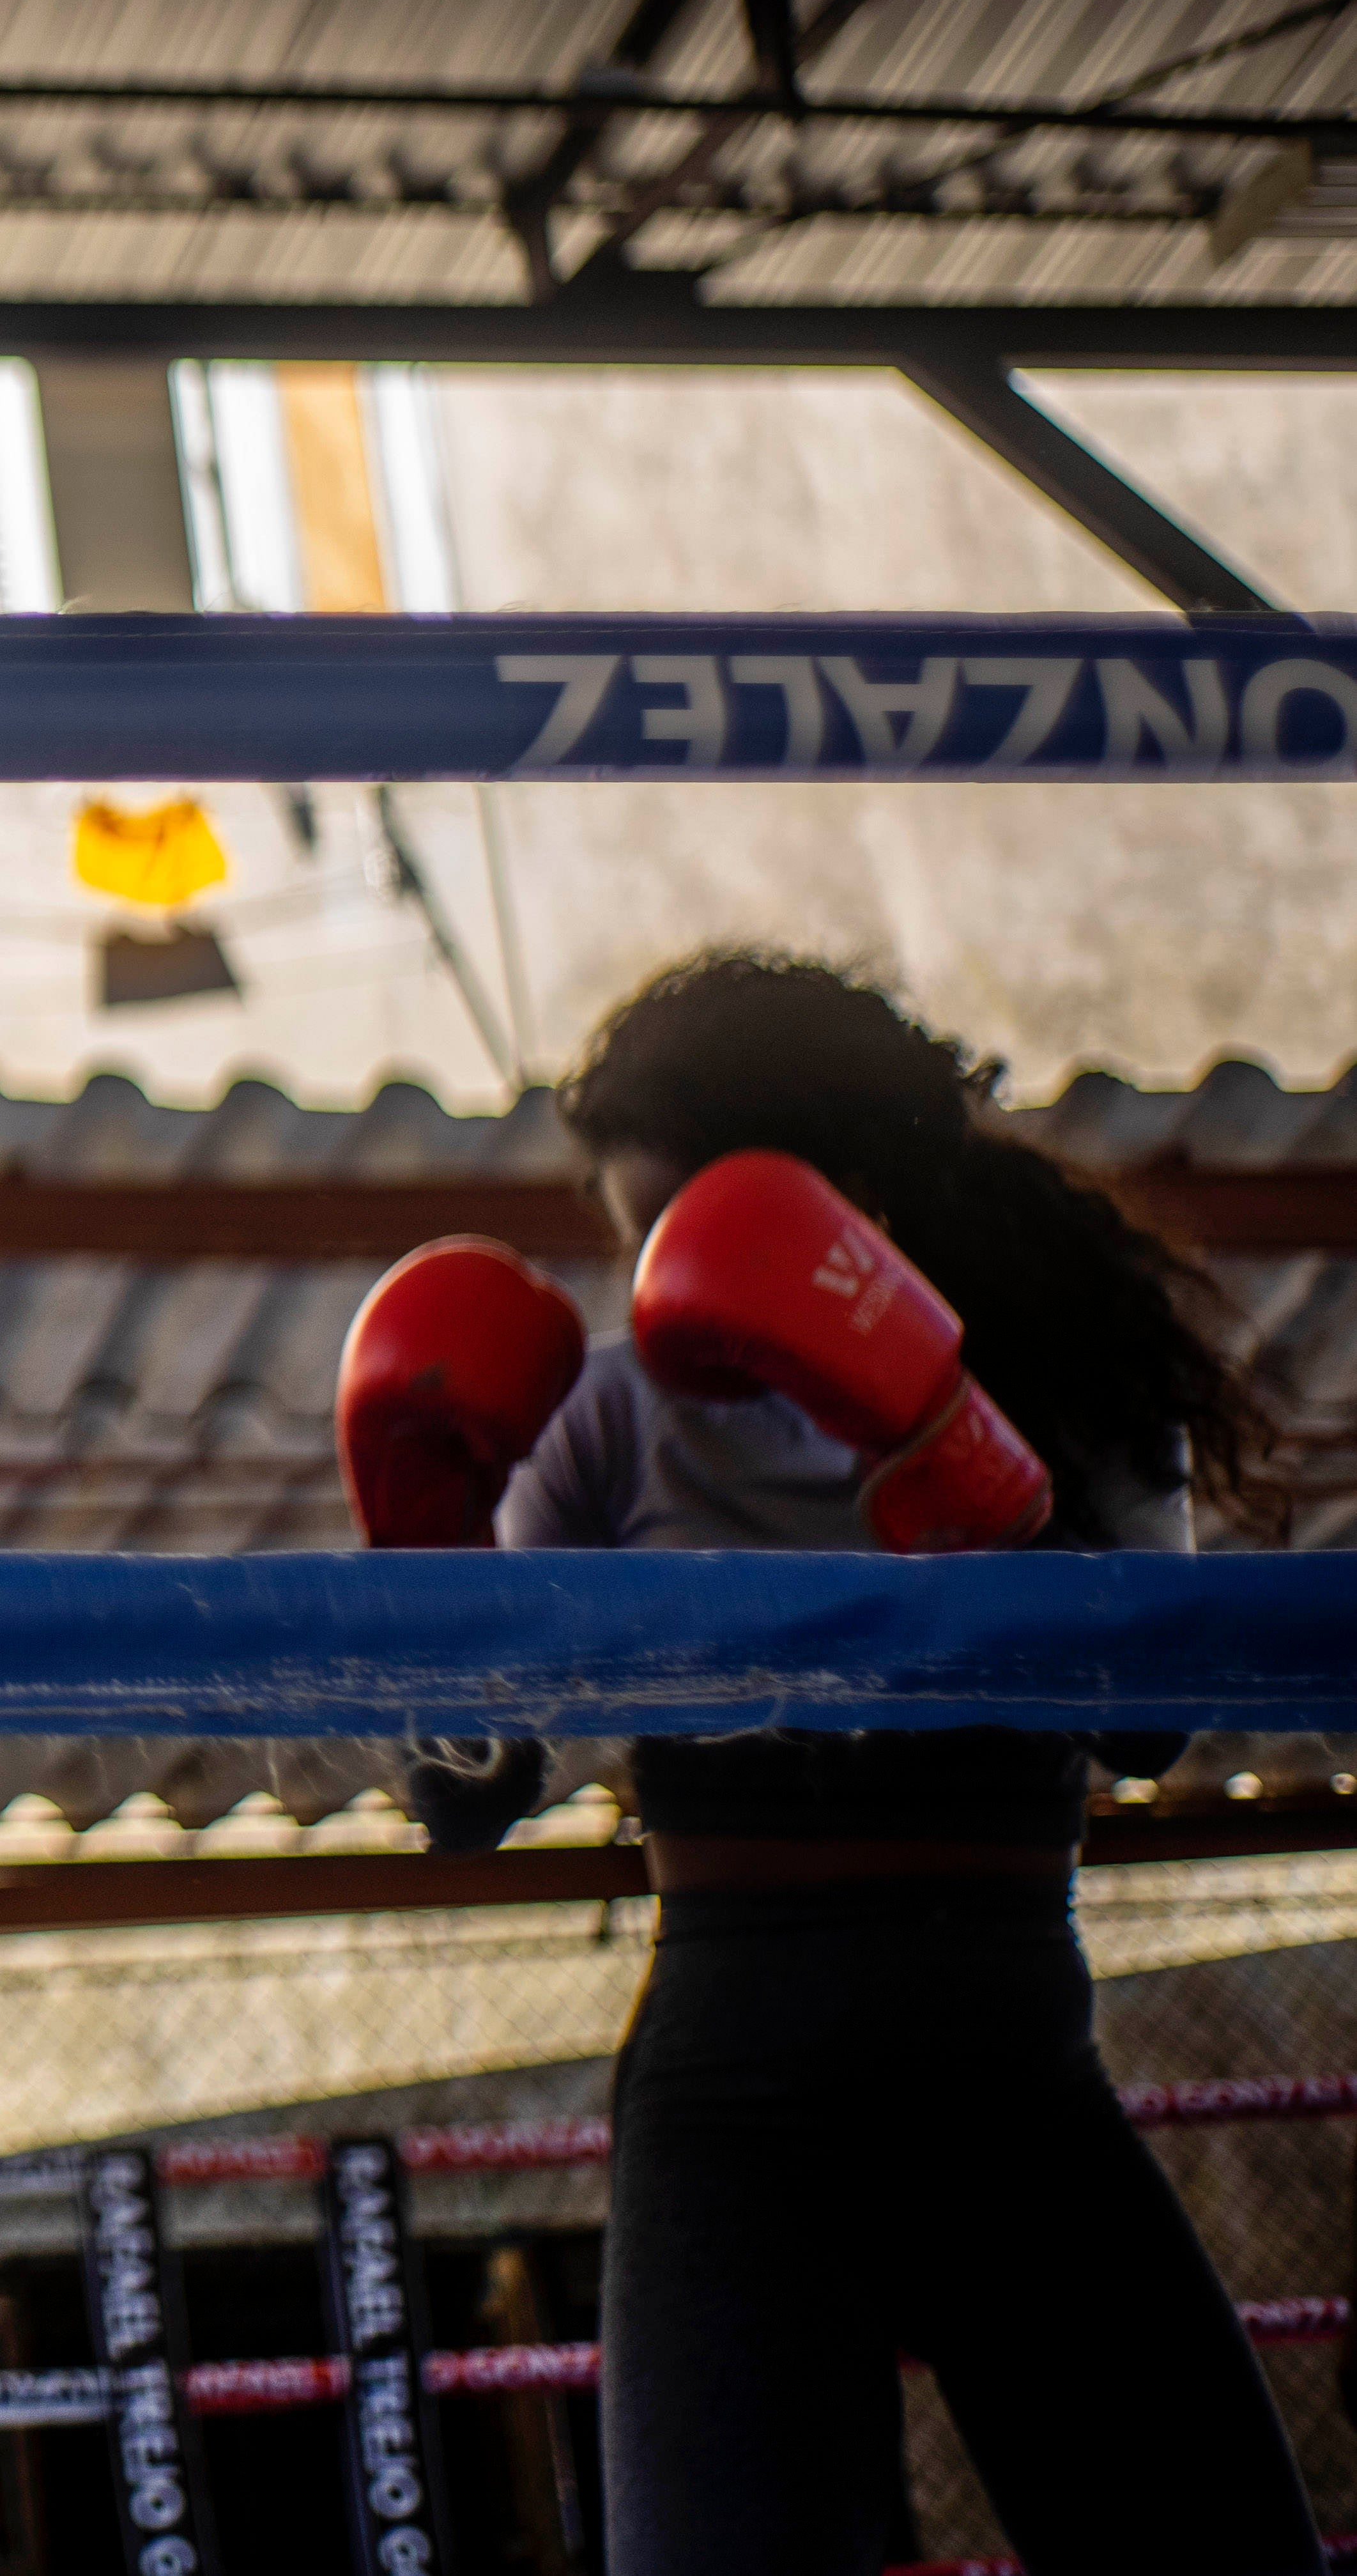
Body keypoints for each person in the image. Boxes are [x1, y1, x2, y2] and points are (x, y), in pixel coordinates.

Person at [492, 953, 1307, 2573]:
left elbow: (1145, 1724)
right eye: (631, 1237)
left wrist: (968, 1462)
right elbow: (471, 1787)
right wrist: (417, 1539)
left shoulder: (1069, 1370)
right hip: (734, 2091)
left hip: (1006, 2073)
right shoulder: (605, 1414)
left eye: (680, 1226)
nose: (657, 1280)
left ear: (841, 1192)